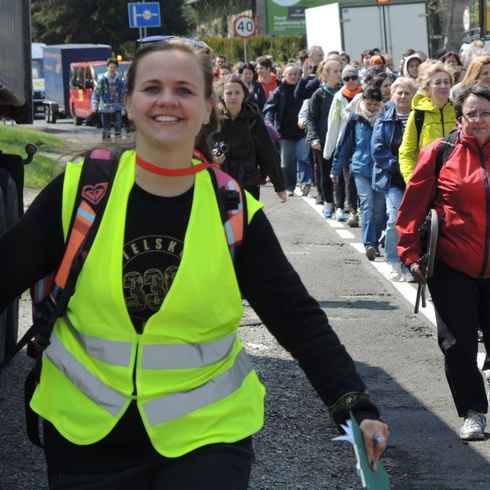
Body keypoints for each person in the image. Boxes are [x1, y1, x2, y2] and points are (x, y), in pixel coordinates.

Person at [0, 36, 389, 489]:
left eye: (184, 90)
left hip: (207, 436)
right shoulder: (80, 192)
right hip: (86, 434)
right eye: (152, 89)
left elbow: (295, 316)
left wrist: (353, 403)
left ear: (208, 109)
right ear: (128, 103)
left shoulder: (234, 211)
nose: (168, 100)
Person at [396, 84, 490, 441]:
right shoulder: (440, 152)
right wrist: (410, 254)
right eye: (471, 114)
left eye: (485, 114)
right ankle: (472, 411)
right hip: (453, 264)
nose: (478, 120)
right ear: (460, 118)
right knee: (457, 342)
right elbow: (413, 205)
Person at [332, 85, 385, 260]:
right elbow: (344, 145)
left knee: (379, 209)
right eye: (369, 103)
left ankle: (376, 239)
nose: (371, 108)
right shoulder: (355, 119)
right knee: (367, 205)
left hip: (381, 169)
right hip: (361, 168)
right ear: (362, 101)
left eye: (375, 104)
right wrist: (336, 169)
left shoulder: (385, 118)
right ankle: (370, 244)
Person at [372, 77, 417, 282]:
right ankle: (392, 259)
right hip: (394, 179)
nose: (403, 96)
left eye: (407, 92)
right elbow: (378, 150)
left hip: (417, 179)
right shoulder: (383, 119)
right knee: (395, 219)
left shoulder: (420, 118)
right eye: (399, 92)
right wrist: (401, 167)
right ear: (392, 94)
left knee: (414, 224)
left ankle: (409, 262)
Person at [214, 74, 285, 202]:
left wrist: (279, 186)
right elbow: (199, 148)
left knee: (248, 220)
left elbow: (268, 154)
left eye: (237, 93)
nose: (233, 97)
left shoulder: (254, 119)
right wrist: (212, 157)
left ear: (244, 95)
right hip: (220, 179)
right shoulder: (213, 119)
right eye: (229, 93)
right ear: (222, 96)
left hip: (248, 180)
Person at [398, 61, 456, 183]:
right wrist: (411, 180)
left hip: (456, 180)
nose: (443, 86)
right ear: (427, 87)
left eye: (446, 82)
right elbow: (406, 152)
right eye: (437, 82)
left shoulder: (459, 112)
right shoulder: (418, 115)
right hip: (428, 181)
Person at [263, 63, 313, 197]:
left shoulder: (304, 89)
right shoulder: (280, 91)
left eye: (295, 74)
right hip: (284, 133)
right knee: (286, 163)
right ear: (284, 76)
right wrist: (269, 122)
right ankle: (289, 186)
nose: (292, 76)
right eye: (289, 74)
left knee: (304, 157)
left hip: (302, 131)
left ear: (299, 75)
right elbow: (269, 108)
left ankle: (306, 182)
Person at [325, 64, 363, 225]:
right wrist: (329, 150)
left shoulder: (365, 95)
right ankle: (352, 210)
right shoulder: (338, 98)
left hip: (362, 142)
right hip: (345, 142)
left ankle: (361, 209)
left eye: (354, 77)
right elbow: (333, 125)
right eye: (347, 78)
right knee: (348, 178)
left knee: (361, 178)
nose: (351, 81)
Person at [307, 59, 343, 218]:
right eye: (335, 71)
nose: (339, 74)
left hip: (341, 140)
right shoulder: (319, 94)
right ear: (326, 74)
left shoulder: (345, 92)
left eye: (340, 70)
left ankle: (341, 206)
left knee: (341, 174)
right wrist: (314, 138)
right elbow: (311, 118)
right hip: (323, 140)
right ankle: (329, 203)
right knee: (325, 172)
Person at [91, 57, 126, 140]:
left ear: (116, 68)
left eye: (114, 67)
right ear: (107, 67)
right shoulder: (102, 80)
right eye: (111, 67)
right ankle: (106, 144)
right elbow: (96, 93)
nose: (112, 69)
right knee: (106, 128)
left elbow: (122, 95)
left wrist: (123, 108)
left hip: (116, 106)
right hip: (105, 107)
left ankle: (118, 144)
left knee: (118, 126)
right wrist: (95, 105)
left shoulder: (120, 81)